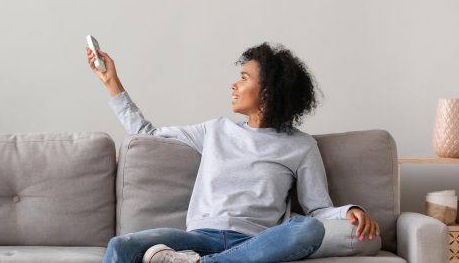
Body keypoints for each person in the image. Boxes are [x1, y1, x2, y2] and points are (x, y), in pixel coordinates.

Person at [85, 42, 381, 263]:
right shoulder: (215, 130)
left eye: (244, 78)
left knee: (308, 229)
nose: (234, 85)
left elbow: (317, 209)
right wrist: (112, 82)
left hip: (255, 243)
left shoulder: (301, 146)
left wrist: (350, 211)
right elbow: (148, 134)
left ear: (268, 91)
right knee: (120, 247)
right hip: (199, 237)